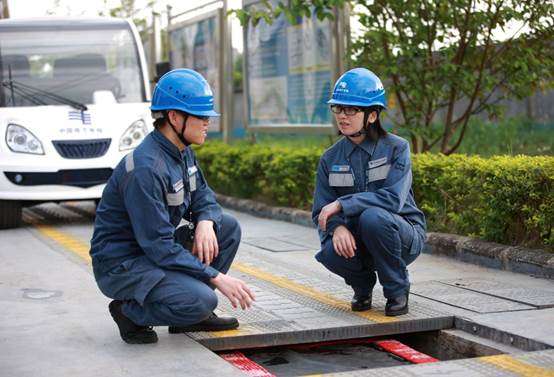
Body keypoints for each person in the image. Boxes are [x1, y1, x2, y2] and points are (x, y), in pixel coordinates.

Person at [90, 68, 254, 344]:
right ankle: (130, 313)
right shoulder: (146, 168)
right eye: (201, 117)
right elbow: (159, 246)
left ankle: (188, 315)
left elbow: (203, 195)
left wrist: (205, 222)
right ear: (175, 117)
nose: (207, 123)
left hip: (150, 251)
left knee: (225, 227)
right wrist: (216, 278)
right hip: (122, 264)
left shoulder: (181, 151)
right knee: (204, 299)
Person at [312, 68, 426, 316]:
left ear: (372, 115)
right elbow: (320, 210)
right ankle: (362, 286)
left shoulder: (397, 148)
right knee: (330, 249)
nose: (342, 116)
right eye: (338, 109)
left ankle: (396, 289)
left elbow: (393, 199)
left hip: (402, 235)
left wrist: (343, 204)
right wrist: (337, 227)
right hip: (359, 238)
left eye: (351, 109)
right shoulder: (329, 159)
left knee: (373, 217)